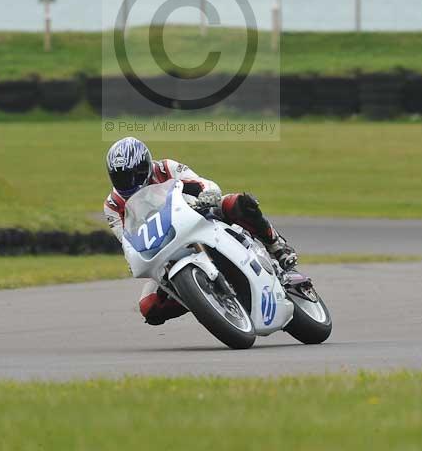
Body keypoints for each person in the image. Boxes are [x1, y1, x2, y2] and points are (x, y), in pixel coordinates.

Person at [104, 136, 298, 326]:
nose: (129, 183)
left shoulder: (165, 168)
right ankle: (204, 299)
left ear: (145, 165)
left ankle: (277, 246)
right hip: (164, 250)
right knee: (150, 307)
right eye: (120, 178)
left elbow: (200, 183)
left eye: (134, 175)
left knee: (237, 203)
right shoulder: (112, 205)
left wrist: (207, 194)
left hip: (197, 215)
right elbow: (127, 241)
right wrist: (135, 259)